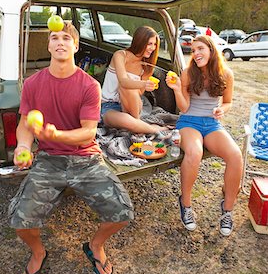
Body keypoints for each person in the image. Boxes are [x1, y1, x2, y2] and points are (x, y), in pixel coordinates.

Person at [9, 21, 134, 274]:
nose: (60, 42)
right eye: (54, 38)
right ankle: (39, 253)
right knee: (20, 219)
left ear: (76, 45)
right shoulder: (32, 84)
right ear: (49, 46)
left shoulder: (89, 85)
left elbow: (88, 133)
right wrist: (22, 147)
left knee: (122, 213)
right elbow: (25, 125)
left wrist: (58, 135)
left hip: (85, 158)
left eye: (66, 38)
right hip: (49, 159)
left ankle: (95, 245)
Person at [166, 35, 242, 236]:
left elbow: (228, 101)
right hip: (189, 122)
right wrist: (176, 89)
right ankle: (186, 204)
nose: (196, 53)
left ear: (211, 49)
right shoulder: (188, 73)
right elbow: (184, 107)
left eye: (200, 48)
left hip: (212, 124)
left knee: (235, 156)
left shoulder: (226, 73)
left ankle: (227, 209)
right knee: (194, 152)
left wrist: (222, 110)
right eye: (193, 50)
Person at [101, 26, 169, 134]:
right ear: (140, 41)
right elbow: (123, 81)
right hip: (108, 106)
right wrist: (143, 83)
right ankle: (153, 129)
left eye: (155, 44)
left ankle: (137, 124)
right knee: (125, 87)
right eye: (149, 44)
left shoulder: (146, 67)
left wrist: (143, 86)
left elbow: (139, 94)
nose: (153, 48)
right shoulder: (120, 55)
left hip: (133, 106)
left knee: (130, 89)